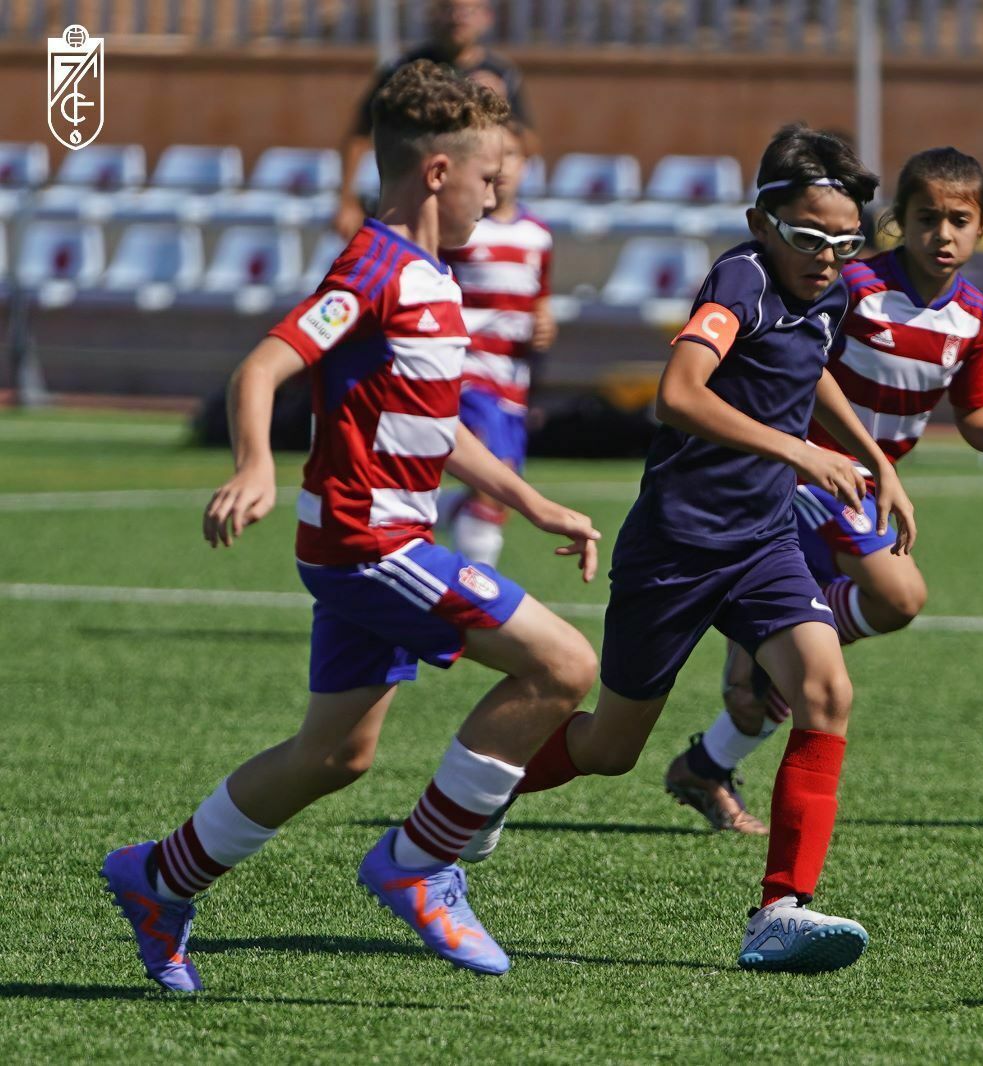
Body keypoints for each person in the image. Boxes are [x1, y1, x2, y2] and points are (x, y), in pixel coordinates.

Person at [99, 61, 601, 993]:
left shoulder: (435, 279)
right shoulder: (373, 265)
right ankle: (419, 862)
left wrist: (532, 502)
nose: (498, 201)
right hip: (372, 544)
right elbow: (262, 367)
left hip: (371, 542)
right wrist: (253, 460)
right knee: (565, 665)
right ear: (440, 174)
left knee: (335, 754)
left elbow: (432, 423)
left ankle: (161, 878)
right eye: (489, 181)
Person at [462, 123, 914, 974]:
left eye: (845, 242)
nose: (827, 256)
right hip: (677, 546)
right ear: (762, 219)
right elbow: (676, 394)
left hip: (763, 540)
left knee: (826, 689)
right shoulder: (738, 279)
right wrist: (799, 452)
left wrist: (868, 451)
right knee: (608, 748)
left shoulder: (828, 289)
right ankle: (469, 803)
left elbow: (805, 363)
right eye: (810, 237)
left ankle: (780, 910)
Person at [661, 147, 983, 835]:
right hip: (808, 472)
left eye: (959, 221)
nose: (942, 235)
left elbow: (973, 412)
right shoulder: (852, 284)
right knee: (900, 595)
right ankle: (757, 643)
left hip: (868, 489)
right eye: (927, 219)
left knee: (778, 690)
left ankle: (706, 765)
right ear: (898, 220)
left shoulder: (973, 316)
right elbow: (795, 364)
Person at [440, 117, 557, 567]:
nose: (502, 166)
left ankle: (423, 517)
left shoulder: (538, 234)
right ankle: (476, 598)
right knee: (496, 478)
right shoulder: (462, 230)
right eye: (494, 156)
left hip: (513, 376)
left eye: (511, 155)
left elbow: (539, 301)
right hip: (470, 370)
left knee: (497, 494)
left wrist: (545, 326)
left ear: (527, 165)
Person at [335, 0, 537, 239]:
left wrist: (498, 104)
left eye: (468, 11)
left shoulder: (501, 73)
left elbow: (529, 146)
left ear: (486, 17)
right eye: (449, 9)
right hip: (416, 205)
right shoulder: (408, 69)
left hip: (472, 212)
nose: (457, 18)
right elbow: (359, 134)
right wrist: (347, 200)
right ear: (433, 14)